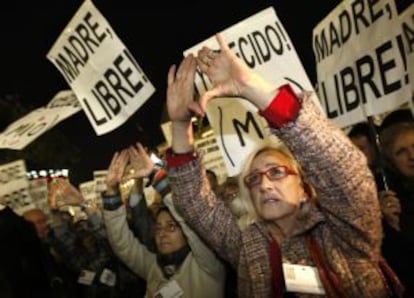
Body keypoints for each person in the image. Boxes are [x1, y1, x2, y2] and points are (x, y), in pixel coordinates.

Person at [165, 33, 404, 297]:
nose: (265, 184)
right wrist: (179, 126)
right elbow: (194, 203)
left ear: (303, 187)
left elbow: (344, 170)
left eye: (276, 172)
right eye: (254, 179)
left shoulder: (344, 229)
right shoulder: (245, 245)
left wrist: (252, 88)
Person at [101, 145, 225, 298]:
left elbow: (188, 219)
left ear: (186, 232)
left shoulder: (208, 265)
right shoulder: (154, 267)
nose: (162, 234)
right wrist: (112, 191)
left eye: (171, 226)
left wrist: (156, 176)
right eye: (158, 227)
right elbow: (122, 244)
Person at [379, 122, 414, 295]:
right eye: (401, 151)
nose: (412, 156)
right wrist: (392, 225)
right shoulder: (392, 203)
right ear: (391, 161)